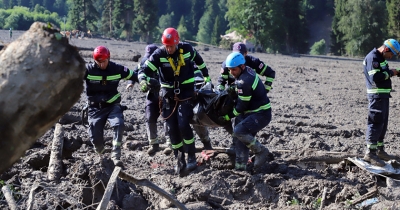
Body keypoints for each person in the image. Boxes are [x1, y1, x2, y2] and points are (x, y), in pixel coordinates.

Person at [138, 27, 212, 175]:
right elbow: (143, 70)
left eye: (171, 46)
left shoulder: (187, 49)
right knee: (171, 129)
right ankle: (179, 159)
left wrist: (206, 76)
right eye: (167, 46)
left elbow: (200, 61)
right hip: (168, 95)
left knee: (183, 124)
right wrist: (142, 81)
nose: (169, 49)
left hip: (185, 93)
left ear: (177, 43)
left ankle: (191, 156)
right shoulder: (159, 54)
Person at [84, 46, 137, 167]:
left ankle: (116, 155)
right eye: (99, 62)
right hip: (95, 107)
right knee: (95, 139)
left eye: (104, 61)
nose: (102, 65)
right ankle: (102, 154)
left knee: (119, 124)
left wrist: (141, 82)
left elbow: (134, 75)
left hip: (112, 104)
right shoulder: (88, 70)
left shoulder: (117, 69)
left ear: (108, 58)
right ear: (95, 60)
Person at [219, 52, 271, 171]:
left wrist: (227, 117)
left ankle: (261, 151)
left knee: (239, 130)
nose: (231, 73)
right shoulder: (246, 71)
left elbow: (241, 106)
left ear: (242, 67)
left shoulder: (244, 81)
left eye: (234, 70)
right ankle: (240, 168)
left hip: (261, 113)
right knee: (239, 138)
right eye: (230, 70)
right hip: (251, 111)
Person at [362, 39, 400, 166]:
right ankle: (370, 153)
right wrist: (391, 73)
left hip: (383, 95)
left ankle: (379, 150)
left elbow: (384, 74)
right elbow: (375, 77)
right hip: (376, 95)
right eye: (391, 54)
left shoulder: (381, 58)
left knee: (383, 124)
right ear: (386, 49)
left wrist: (396, 72)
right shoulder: (373, 58)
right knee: (376, 122)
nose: (391, 57)